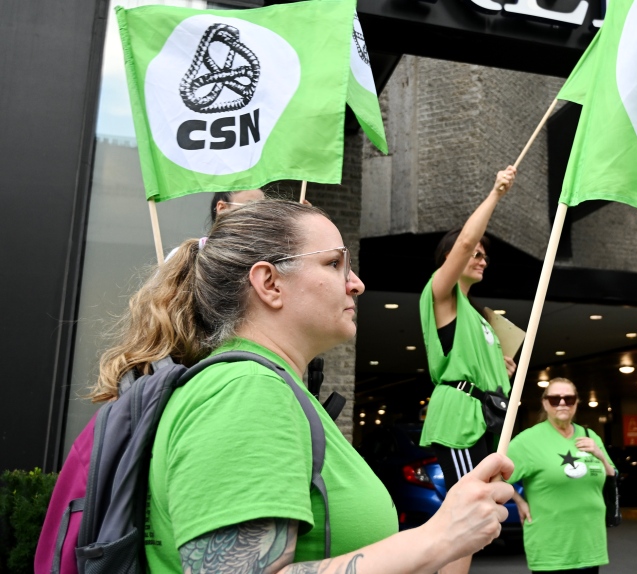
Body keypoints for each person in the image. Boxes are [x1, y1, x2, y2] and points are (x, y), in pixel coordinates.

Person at [89, 200, 515, 573]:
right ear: (269, 283)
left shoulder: (273, 389)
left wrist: (448, 537)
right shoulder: (243, 390)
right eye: (334, 264)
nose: (357, 284)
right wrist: (436, 538)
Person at [419, 166, 517, 574]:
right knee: (470, 514)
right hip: (460, 419)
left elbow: (489, 373)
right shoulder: (442, 295)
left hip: (483, 420)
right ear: (449, 261)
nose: (481, 258)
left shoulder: (480, 319)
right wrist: (496, 192)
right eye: (476, 253)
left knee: (475, 518)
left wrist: (504, 369)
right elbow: (464, 239)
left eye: (484, 257)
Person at [507, 378, 615, 573]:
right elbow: (495, 476)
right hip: (551, 548)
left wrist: (599, 455)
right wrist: (519, 501)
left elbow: (611, 477)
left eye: (569, 398)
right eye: (555, 399)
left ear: (576, 403)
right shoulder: (528, 441)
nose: (563, 403)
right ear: (545, 403)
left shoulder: (590, 436)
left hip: (589, 545)